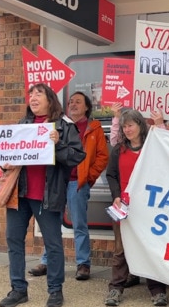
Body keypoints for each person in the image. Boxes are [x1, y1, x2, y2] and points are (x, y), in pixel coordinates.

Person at [0, 83, 86, 307]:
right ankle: (18, 289)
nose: (33, 97)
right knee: (13, 240)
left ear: (50, 99)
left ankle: (55, 290)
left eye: (39, 93)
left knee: (53, 244)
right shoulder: (22, 124)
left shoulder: (65, 126)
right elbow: (9, 153)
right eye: (31, 94)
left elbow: (77, 157)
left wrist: (57, 145)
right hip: (21, 193)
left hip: (48, 195)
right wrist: (4, 163)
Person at [29, 92, 109, 281]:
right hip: (56, 180)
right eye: (71, 101)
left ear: (87, 107)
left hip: (76, 182)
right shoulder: (58, 124)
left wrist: (88, 177)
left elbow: (102, 157)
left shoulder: (94, 128)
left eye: (78, 102)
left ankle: (83, 264)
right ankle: (47, 261)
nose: (73, 104)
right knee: (51, 223)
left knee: (79, 224)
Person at [104, 108, 169, 307]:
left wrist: (160, 124)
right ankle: (115, 289)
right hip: (124, 206)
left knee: (150, 248)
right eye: (124, 126)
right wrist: (116, 196)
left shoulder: (152, 147)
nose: (127, 129)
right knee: (120, 250)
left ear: (140, 125)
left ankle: (157, 290)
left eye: (130, 125)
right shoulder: (119, 149)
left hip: (149, 208)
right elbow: (111, 175)